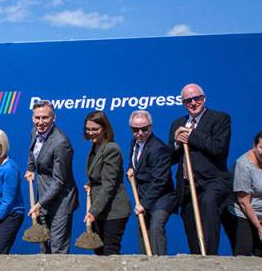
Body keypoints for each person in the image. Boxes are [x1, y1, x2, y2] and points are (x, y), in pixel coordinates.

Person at [169, 84, 231, 255]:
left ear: (204, 98)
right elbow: (171, 158)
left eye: (197, 98)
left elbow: (218, 148)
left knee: (209, 207)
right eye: (188, 100)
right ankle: (198, 262)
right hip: (187, 185)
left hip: (212, 182)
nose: (193, 103)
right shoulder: (177, 124)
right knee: (192, 229)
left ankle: (210, 258)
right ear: (183, 103)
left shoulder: (220, 119)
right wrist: (176, 143)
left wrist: (191, 134)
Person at [25, 100, 79, 254]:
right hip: (43, 197)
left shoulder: (61, 143)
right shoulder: (34, 132)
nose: (40, 122)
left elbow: (59, 181)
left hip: (61, 201)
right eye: (37, 118)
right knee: (44, 245)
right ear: (33, 118)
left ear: (53, 118)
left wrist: (39, 204)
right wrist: (30, 168)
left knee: (57, 248)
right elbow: (33, 151)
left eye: (45, 118)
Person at [224, 130, 262, 256]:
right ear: (254, 146)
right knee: (244, 256)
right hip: (241, 213)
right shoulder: (243, 165)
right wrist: (259, 229)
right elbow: (244, 202)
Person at [125, 110, 174, 256]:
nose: (140, 133)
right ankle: (146, 263)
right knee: (143, 227)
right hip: (144, 195)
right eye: (135, 130)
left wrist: (144, 205)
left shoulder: (158, 148)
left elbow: (160, 181)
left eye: (144, 129)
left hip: (161, 197)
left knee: (156, 227)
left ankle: (159, 262)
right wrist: (130, 168)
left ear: (150, 127)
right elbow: (136, 163)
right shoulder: (134, 142)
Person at [82, 111, 130, 255]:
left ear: (105, 129)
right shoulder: (95, 146)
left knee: (110, 251)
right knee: (98, 250)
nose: (91, 133)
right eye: (88, 129)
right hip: (99, 208)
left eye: (95, 129)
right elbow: (98, 175)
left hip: (113, 211)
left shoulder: (111, 149)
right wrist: (90, 183)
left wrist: (93, 211)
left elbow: (109, 184)